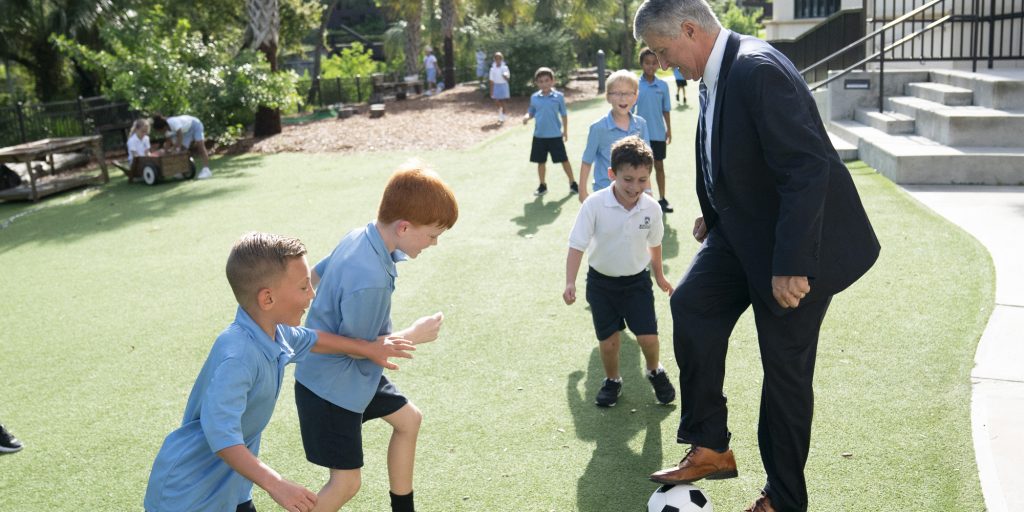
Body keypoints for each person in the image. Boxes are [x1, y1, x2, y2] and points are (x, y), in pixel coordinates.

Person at [632, 2, 881, 512]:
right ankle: (712, 446)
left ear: (689, 29)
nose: (661, 62)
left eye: (663, 50)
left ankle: (783, 500)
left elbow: (806, 168)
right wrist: (714, 212)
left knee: (783, 371)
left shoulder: (757, 69)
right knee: (693, 305)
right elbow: (724, 149)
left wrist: (793, 263)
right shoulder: (715, 69)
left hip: (796, 245)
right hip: (741, 231)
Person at [144, 232, 415, 512]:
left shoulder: (275, 334)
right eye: (303, 287)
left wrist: (368, 348)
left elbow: (313, 339)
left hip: (231, 489)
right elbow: (222, 437)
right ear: (268, 299)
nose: (311, 294)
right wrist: (276, 484)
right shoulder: (237, 356)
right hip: (188, 495)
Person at [293, 164, 459, 512]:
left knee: (408, 419)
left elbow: (317, 275)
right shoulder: (370, 279)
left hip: (350, 376)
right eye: (431, 235)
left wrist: (301, 300)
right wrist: (415, 334)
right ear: (403, 227)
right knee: (347, 482)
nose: (435, 243)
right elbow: (361, 350)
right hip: (330, 387)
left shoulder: (361, 235)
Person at [563, 135, 676, 408]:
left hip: (637, 283)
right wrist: (570, 282)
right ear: (612, 174)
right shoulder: (594, 204)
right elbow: (577, 245)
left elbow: (655, 243)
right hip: (601, 285)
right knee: (609, 343)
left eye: (642, 180)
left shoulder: (651, 208)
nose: (635, 187)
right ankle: (612, 380)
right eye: (627, 179)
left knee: (648, 338)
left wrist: (659, 275)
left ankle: (654, 370)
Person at [579, 69, 650, 203]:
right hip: (605, 195)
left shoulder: (641, 125)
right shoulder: (598, 128)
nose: (622, 98)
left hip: (634, 194)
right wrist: (582, 191)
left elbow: (645, 165)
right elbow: (587, 161)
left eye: (628, 93)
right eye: (617, 93)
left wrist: (648, 191)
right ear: (608, 96)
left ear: (636, 96)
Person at [522, 66, 578, 197]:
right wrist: (527, 116)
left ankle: (572, 183)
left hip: (555, 136)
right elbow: (532, 111)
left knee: (564, 160)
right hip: (539, 136)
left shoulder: (559, 97)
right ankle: (542, 185)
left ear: (552, 81)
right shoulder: (534, 97)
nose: (544, 84)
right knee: (541, 162)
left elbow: (563, 114)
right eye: (541, 81)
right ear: (537, 83)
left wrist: (565, 131)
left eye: (547, 80)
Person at [634, 48, 675, 213]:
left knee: (659, 166)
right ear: (642, 64)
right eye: (647, 63)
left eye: (654, 63)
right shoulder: (635, 84)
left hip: (658, 133)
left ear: (658, 63)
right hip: (639, 135)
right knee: (640, 168)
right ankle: (640, 200)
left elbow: (666, 110)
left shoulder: (663, 85)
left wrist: (669, 130)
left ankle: (662, 199)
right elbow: (629, 109)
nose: (651, 66)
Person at [152, 114, 212, 179]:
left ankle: (206, 170)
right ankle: (181, 170)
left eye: (160, 131)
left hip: (195, 125)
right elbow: (168, 142)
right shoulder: (166, 131)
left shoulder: (173, 122)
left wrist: (177, 149)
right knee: (183, 150)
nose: (160, 133)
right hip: (186, 131)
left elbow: (180, 135)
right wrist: (165, 152)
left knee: (200, 146)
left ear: (163, 128)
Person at [488, 52, 511, 124]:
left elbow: (507, 78)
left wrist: (505, 76)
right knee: (496, 101)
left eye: (499, 58)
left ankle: (502, 117)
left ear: (502, 59)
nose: (498, 60)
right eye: (496, 58)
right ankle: (500, 113)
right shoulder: (492, 69)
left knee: (503, 102)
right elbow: (491, 80)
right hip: (496, 86)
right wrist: (491, 91)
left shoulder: (505, 68)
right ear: (494, 59)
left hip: (503, 85)